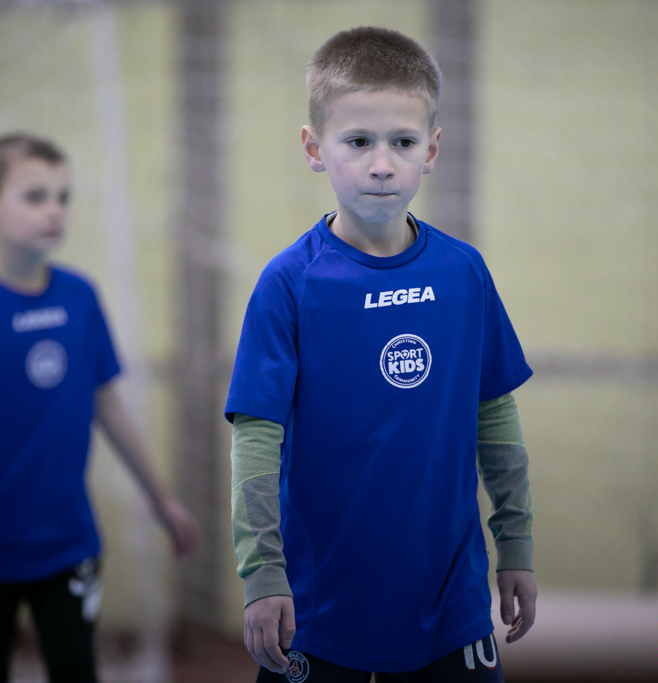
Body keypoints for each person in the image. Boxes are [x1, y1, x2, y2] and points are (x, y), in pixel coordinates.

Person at [226, 27, 536, 683]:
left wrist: (516, 542)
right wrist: (262, 572)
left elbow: (494, 413)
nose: (382, 164)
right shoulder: (289, 284)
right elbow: (256, 437)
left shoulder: (464, 273)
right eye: (358, 141)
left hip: (451, 606)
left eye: (403, 142)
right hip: (316, 610)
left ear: (432, 149)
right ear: (314, 148)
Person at [0, 133, 200, 683]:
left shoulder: (80, 298)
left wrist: (161, 499)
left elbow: (110, 408)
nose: (54, 210)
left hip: (68, 545)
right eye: (35, 196)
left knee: (76, 670)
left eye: (62, 197)